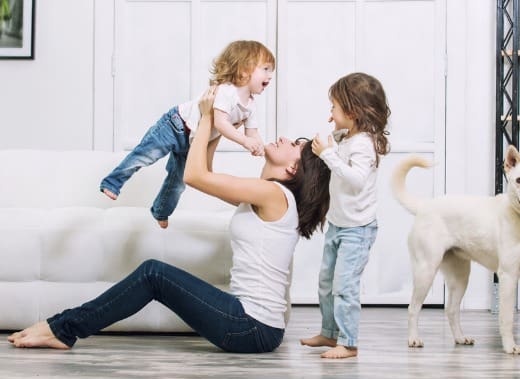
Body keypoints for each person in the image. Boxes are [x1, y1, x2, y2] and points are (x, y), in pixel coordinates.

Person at [8, 87, 331, 353]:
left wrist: (205, 118)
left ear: (293, 170)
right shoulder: (267, 195)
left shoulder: (272, 194)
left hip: (251, 328)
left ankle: (62, 328)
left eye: (296, 146)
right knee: (154, 275)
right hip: (252, 325)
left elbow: (193, 175)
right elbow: (207, 173)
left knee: (154, 274)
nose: (287, 138)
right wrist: (218, 123)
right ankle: (61, 327)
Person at [100, 40, 274, 229]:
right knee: (145, 155)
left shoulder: (250, 105)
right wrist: (245, 141)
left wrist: (259, 146)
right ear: (244, 70)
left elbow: (253, 132)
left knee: (178, 181)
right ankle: (112, 182)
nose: (270, 76)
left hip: (193, 141)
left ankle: (160, 211)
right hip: (176, 126)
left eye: (271, 70)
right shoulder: (226, 91)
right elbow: (220, 123)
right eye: (265, 69)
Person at [300, 72, 390, 359]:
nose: (330, 114)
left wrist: (328, 153)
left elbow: (356, 180)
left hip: (357, 229)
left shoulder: (364, 144)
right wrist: (334, 141)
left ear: (352, 112)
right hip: (339, 224)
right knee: (326, 282)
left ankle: (348, 343)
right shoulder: (350, 137)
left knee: (344, 286)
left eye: (334, 108)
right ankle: (330, 332)